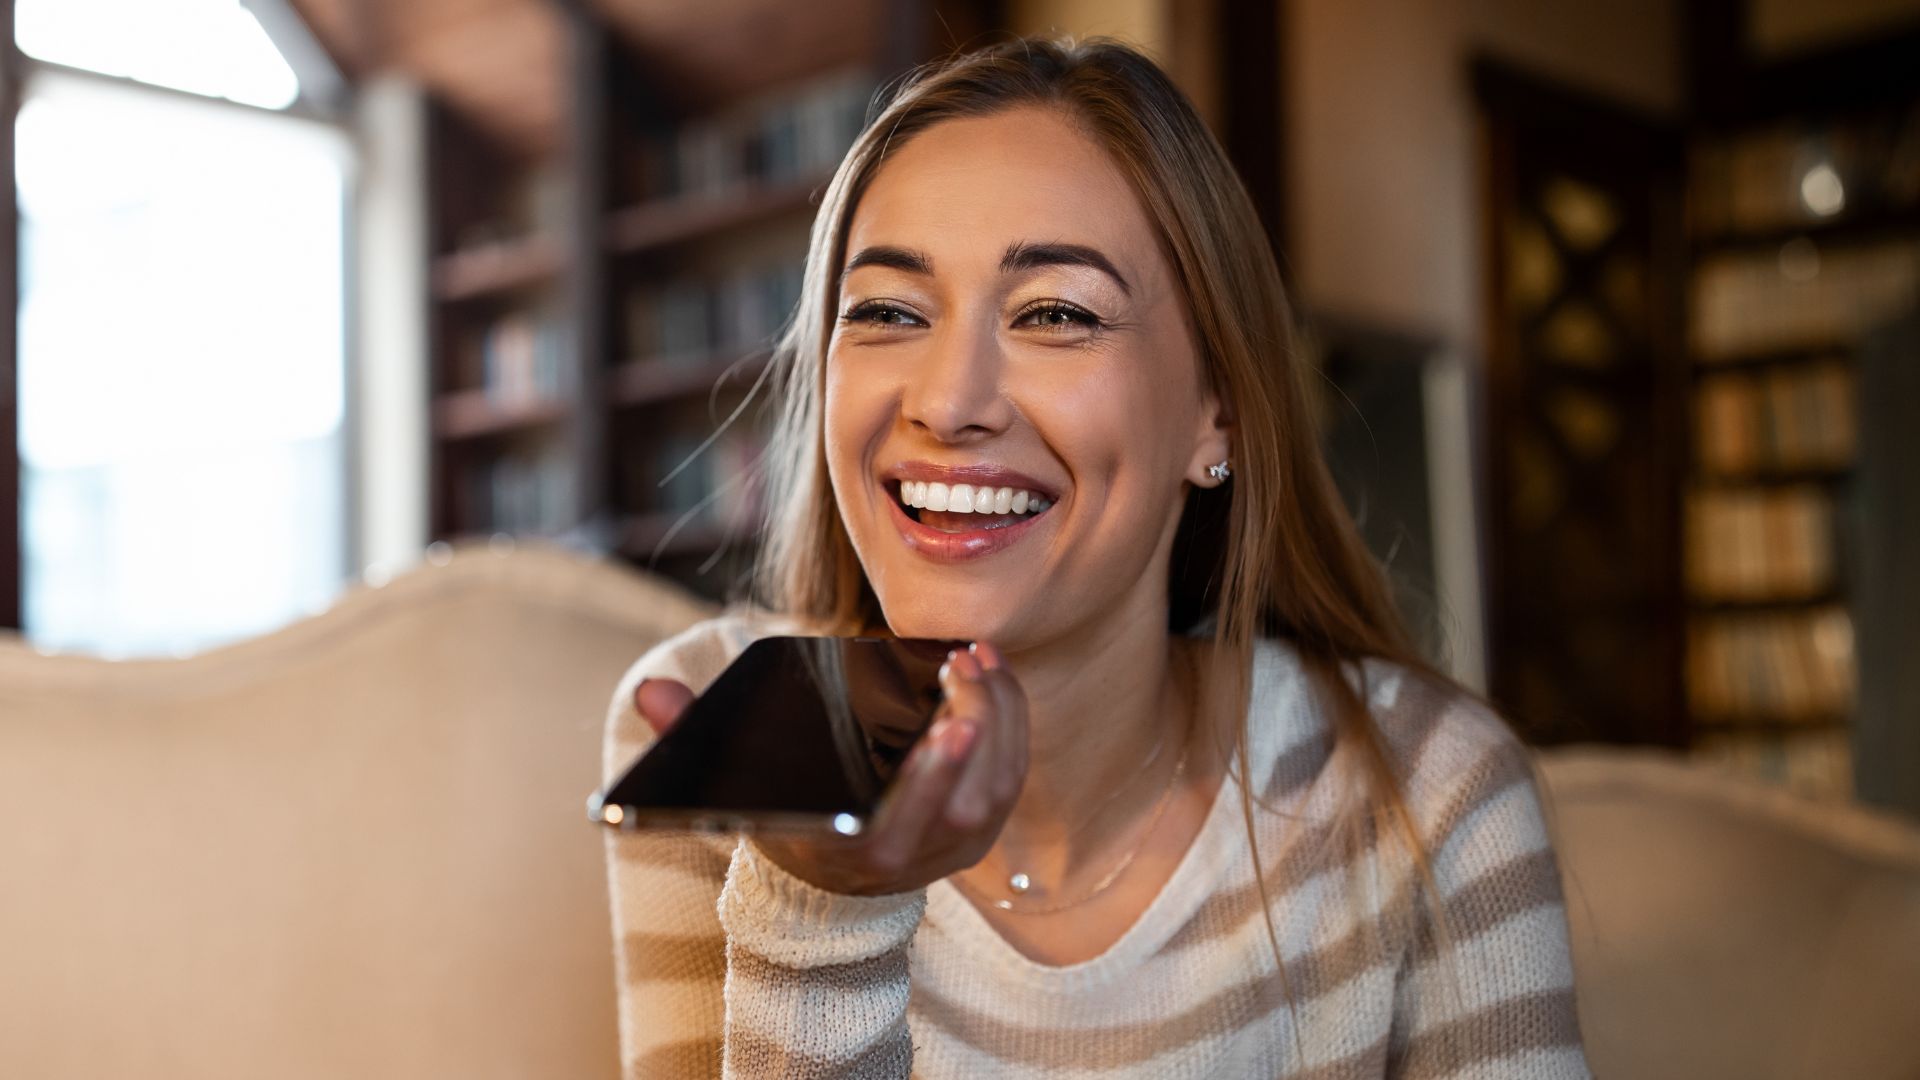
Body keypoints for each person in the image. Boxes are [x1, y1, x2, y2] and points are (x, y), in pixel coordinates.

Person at [602, 35, 1592, 1079]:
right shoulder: (713, 727)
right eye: (889, 311)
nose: (947, 402)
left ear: (1217, 412)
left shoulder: (1430, 791)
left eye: (1057, 314)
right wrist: (821, 913)